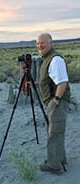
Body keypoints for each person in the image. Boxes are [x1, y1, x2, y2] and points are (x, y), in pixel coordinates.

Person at [36, 33, 70, 174]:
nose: (40, 46)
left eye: (43, 43)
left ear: (51, 43)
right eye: (38, 43)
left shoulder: (55, 59)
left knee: (54, 133)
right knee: (56, 131)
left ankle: (53, 165)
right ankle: (60, 158)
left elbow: (62, 82)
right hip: (54, 101)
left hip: (57, 102)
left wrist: (55, 100)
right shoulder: (47, 59)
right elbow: (50, 80)